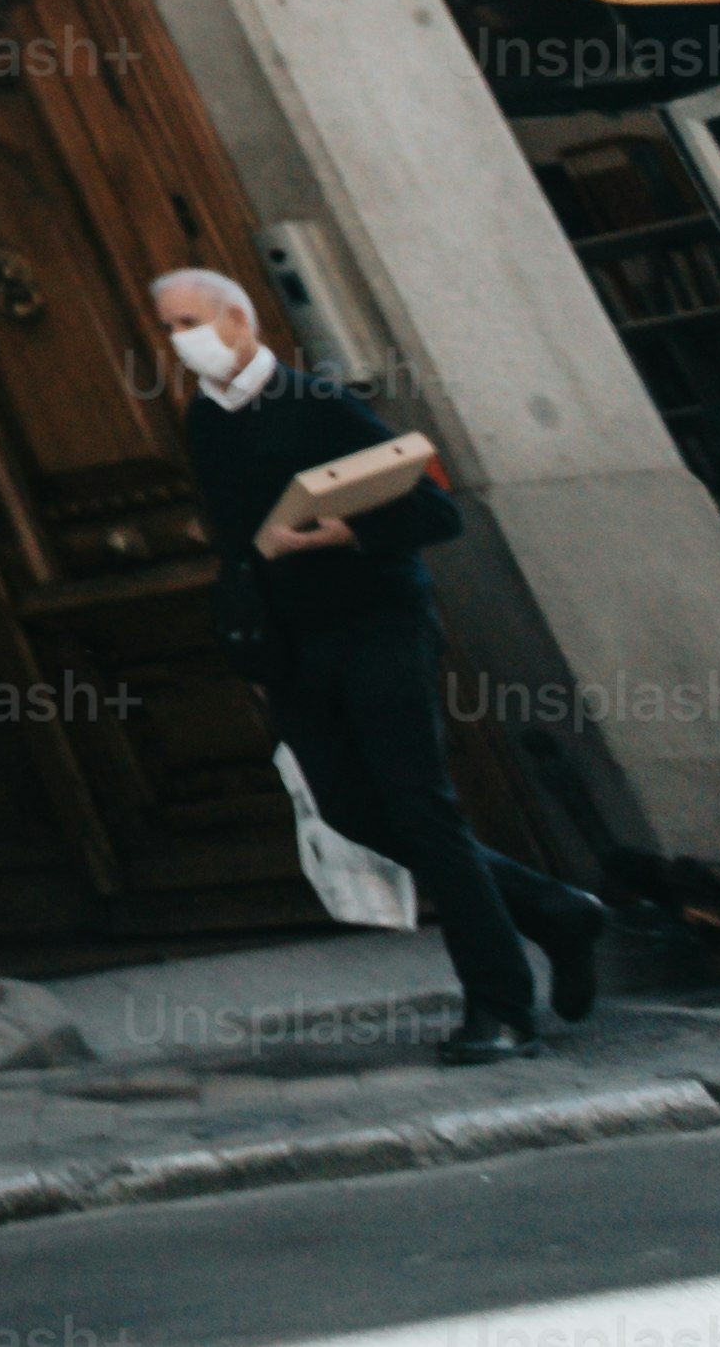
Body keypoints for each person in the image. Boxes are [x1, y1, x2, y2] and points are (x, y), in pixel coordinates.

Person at [155, 261, 612, 1062]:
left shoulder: (320, 404)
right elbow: (236, 541)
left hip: (378, 627)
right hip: (291, 644)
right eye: (165, 330)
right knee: (348, 811)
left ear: (238, 322)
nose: (177, 342)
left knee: (418, 808)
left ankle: (501, 1010)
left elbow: (433, 511)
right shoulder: (203, 422)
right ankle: (551, 909)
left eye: (187, 323)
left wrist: (348, 535)